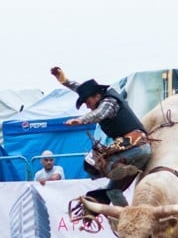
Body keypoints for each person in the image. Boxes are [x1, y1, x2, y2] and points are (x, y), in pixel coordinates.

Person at [51, 66, 150, 206]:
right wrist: (64, 80)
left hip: (137, 149)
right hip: (135, 153)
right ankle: (126, 218)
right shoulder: (100, 96)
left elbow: (99, 114)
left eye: (87, 102)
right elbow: (80, 88)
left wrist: (81, 120)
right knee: (113, 191)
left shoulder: (110, 101)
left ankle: (115, 167)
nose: (87, 106)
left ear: (97, 96)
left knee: (96, 162)